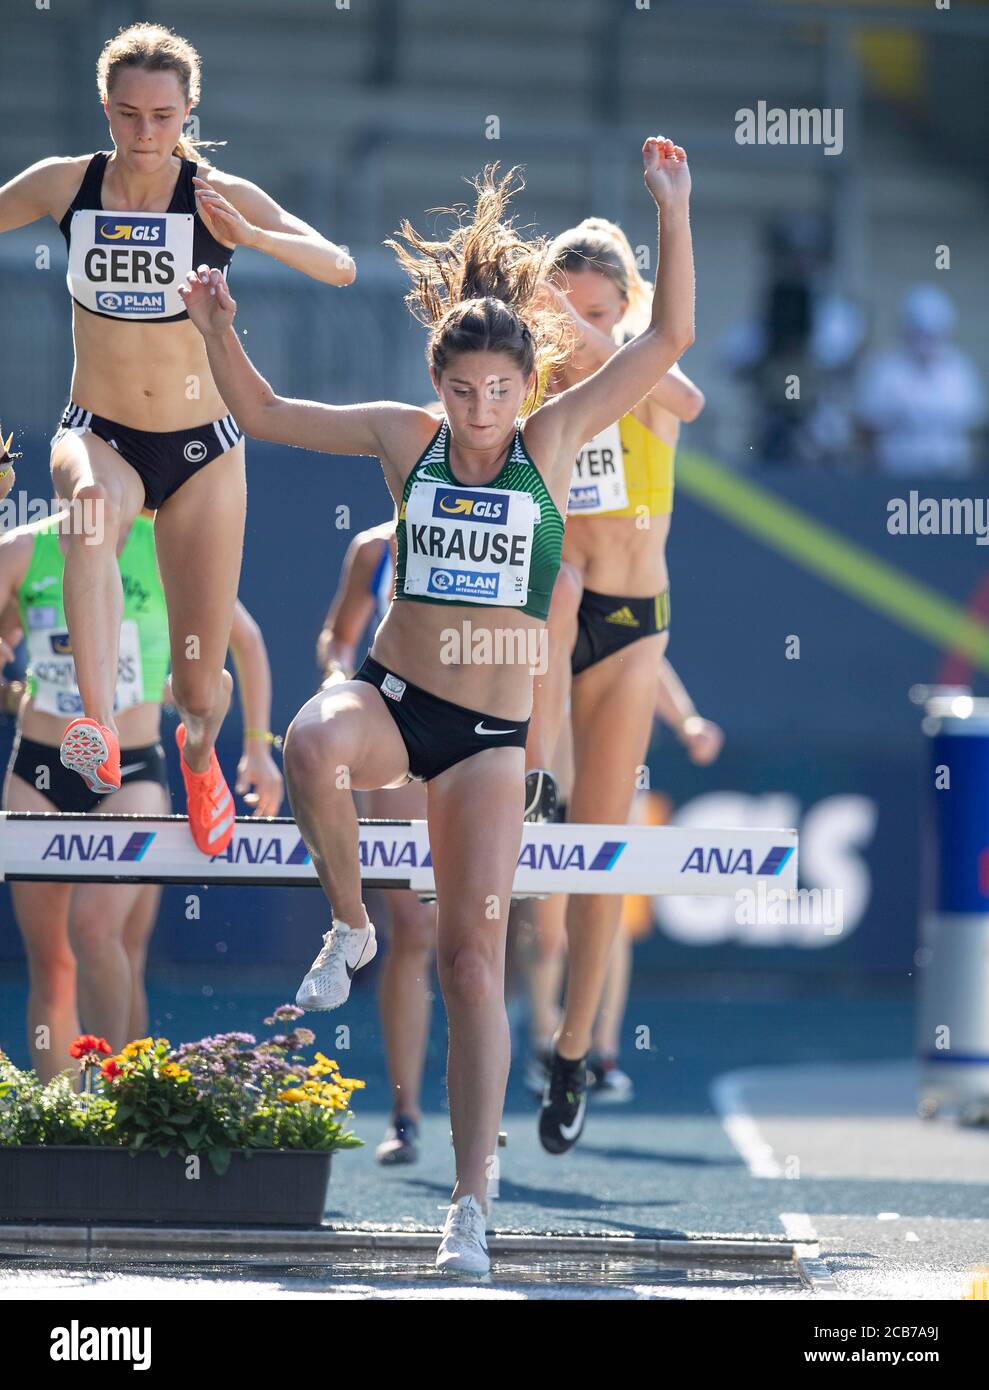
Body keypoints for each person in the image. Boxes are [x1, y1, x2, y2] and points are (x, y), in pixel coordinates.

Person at [179, 142, 694, 1273]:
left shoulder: (552, 442)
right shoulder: (401, 438)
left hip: (486, 746)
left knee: (471, 962)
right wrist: (218, 322)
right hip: (395, 698)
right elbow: (261, 411)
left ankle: (469, 1204)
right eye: (460, 393)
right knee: (314, 738)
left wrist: (672, 210)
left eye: (498, 394)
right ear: (436, 383)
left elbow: (664, 346)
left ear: (528, 388)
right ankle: (353, 922)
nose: (477, 415)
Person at [0, 22, 352, 854]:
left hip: (201, 449)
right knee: (87, 510)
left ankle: (197, 749)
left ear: (189, 111)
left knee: (199, 683)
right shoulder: (65, 186)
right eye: (127, 115)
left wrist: (251, 236)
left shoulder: (212, 193)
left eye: (163, 116)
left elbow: (337, 263)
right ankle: (95, 726)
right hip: (100, 430)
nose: (145, 134)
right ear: (106, 111)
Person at [521, 215, 706, 1154]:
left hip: (631, 628)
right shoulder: (530, 381)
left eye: (592, 313)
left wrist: (593, 335)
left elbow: (685, 395)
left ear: (621, 310)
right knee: (552, 587)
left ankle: (573, 1048)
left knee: (600, 856)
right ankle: (532, 777)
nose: (572, 332)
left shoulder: (637, 369)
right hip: (549, 617)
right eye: (560, 313)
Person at [0, 501, 283, 1081]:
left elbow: (246, 642)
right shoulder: (22, 551)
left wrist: (258, 748)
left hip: (131, 773)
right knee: (51, 962)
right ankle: (60, 1118)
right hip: (39, 771)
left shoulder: (168, 550)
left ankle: (118, 1099)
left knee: (102, 935)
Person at [316, 520, 436, 1165]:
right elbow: (338, 636)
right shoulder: (376, 545)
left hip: (486, 730)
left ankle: (538, 1066)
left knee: (487, 930)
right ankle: (407, 1111)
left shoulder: (510, 522)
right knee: (412, 930)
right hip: (403, 733)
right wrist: (340, 679)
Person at [855, 283, 986, 476]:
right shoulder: (884, 370)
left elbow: (974, 425)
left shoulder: (961, 370)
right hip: (894, 476)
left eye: (932, 334)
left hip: (951, 477)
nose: (925, 341)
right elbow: (867, 426)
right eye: (919, 332)